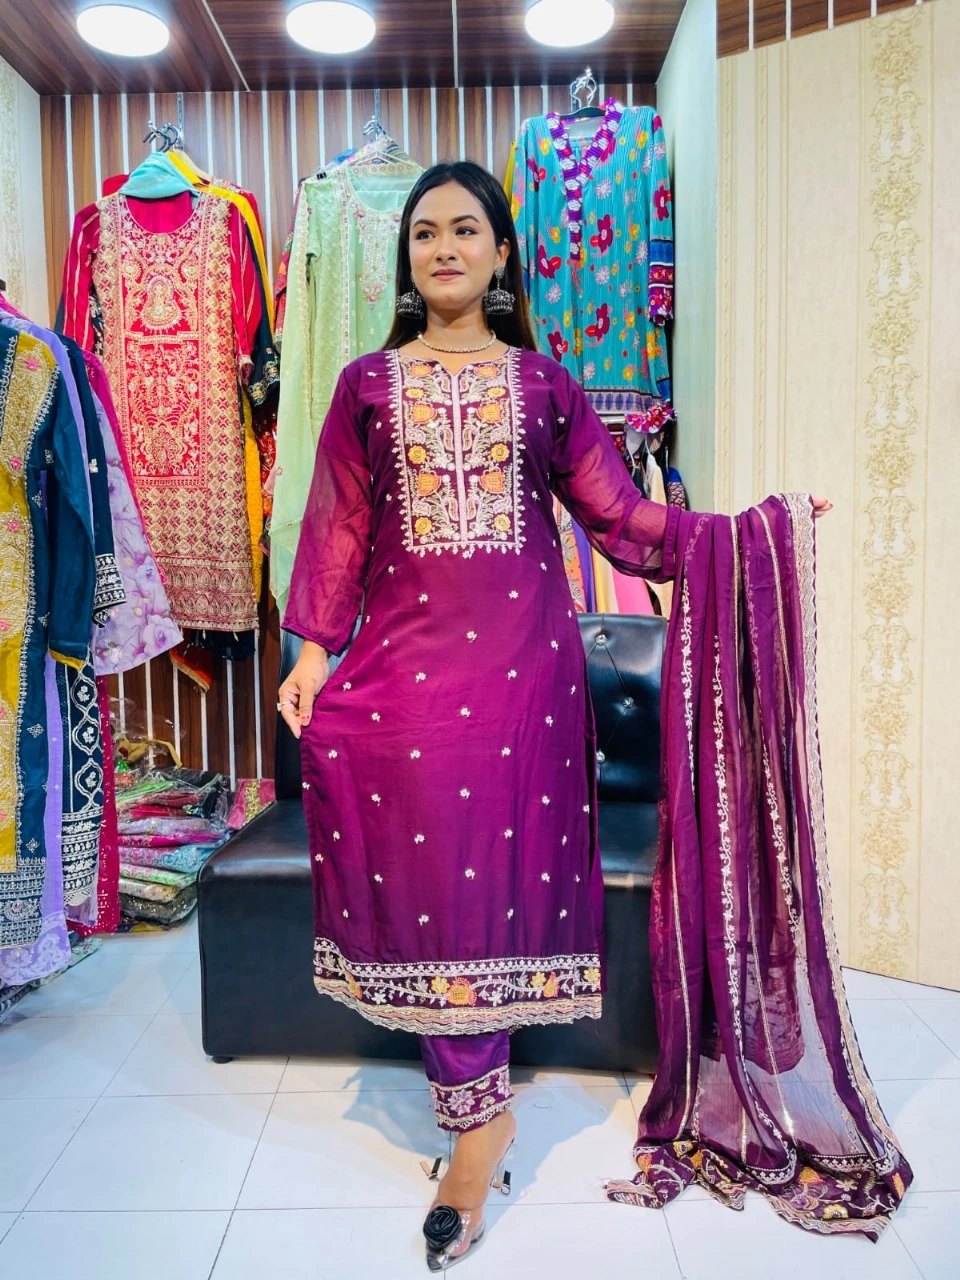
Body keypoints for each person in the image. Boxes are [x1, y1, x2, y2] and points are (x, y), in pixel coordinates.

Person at [278, 161, 832, 1271]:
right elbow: (337, 523)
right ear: (407, 259)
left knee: (485, 878)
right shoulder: (364, 385)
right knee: (429, 882)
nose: (443, 248)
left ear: (500, 253)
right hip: (402, 668)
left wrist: (755, 531)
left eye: (465, 230)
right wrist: (312, 651)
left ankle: (475, 1134)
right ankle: (475, 1111)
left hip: (521, 677)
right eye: (425, 233)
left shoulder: (544, 384)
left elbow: (621, 518)